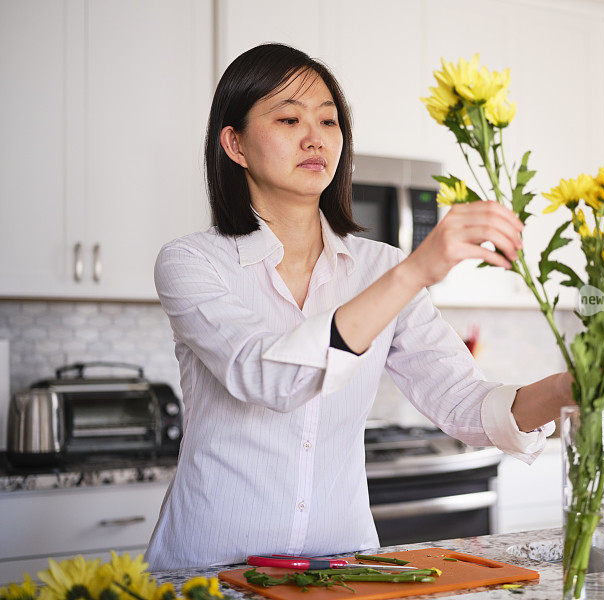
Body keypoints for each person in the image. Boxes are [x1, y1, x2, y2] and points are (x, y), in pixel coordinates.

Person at [144, 43, 574, 570]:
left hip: (342, 570)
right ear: (234, 143)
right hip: (210, 571)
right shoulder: (193, 263)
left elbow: (465, 403)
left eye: (328, 121)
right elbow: (269, 377)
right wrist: (415, 270)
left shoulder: (378, 268)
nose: (315, 138)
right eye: (288, 119)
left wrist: (565, 390)